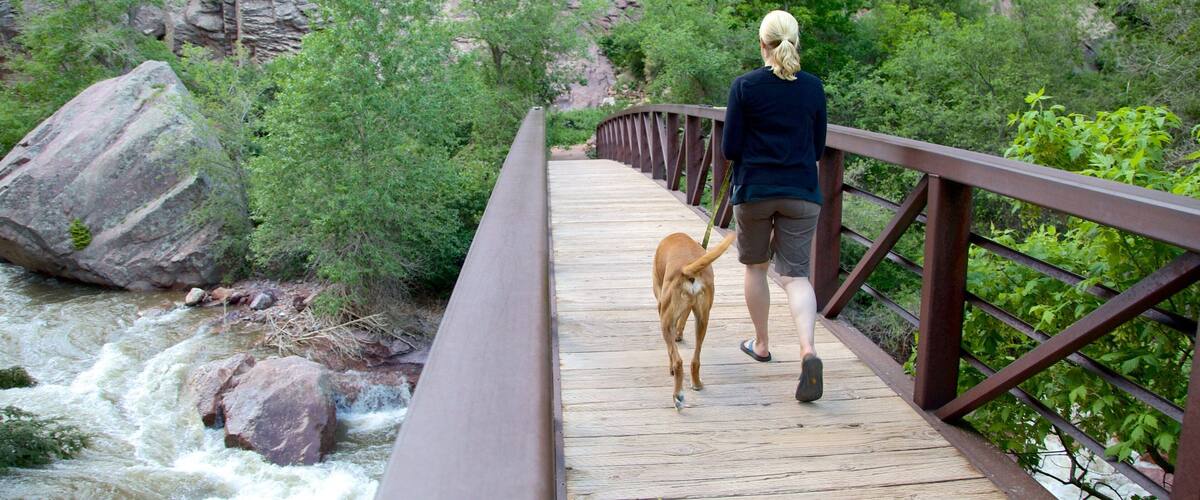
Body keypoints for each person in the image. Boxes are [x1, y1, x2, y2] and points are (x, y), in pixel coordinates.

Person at [721, 10, 827, 402]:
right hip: (801, 192)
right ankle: (808, 351)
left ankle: (762, 344)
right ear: (795, 42)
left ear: (761, 43)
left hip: (755, 192)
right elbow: (817, 147)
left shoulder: (744, 87)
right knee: (796, 275)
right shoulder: (813, 88)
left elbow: (730, 148)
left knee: (756, 267)